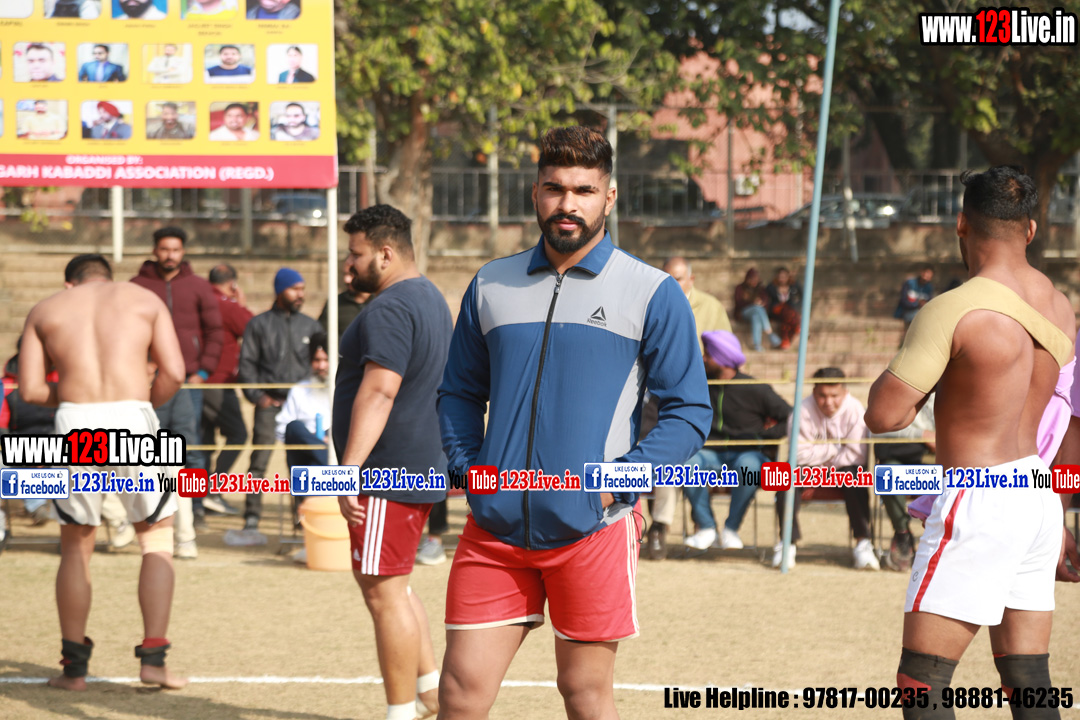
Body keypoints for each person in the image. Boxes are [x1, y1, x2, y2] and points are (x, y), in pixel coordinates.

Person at [437, 126, 711, 719]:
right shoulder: (490, 283)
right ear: (535, 192)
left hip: (594, 529)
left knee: (584, 696)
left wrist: (616, 484)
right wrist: (468, 470)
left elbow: (690, 411)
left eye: (584, 190)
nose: (568, 204)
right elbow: (458, 391)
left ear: (608, 197)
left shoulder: (652, 291)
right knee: (459, 694)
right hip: (494, 530)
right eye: (555, 188)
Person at [865, 166, 1077, 719]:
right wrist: (1060, 515)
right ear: (1031, 228)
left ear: (961, 224)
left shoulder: (953, 307)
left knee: (922, 679)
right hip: (1038, 493)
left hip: (978, 494)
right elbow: (1070, 419)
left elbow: (884, 415)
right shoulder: (1060, 306)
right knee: (1028, 676)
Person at [18, 254, 187, 690]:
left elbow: (31, 390)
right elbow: (174, 372)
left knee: (76, 546)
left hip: (75, 420)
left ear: (69, 284)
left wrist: (75, 397)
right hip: (133, 415)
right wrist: (143, 402)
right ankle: (154, 661)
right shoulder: (143, 298)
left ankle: (74, 670)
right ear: (108, 278)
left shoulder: (46, 309)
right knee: (156, 538)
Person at [333, 205, 451, 720]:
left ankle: (401, 712)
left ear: (385, 253)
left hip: (388, 472)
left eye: (355, 254)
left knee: (384, 594)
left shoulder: (390, 308)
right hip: (412, 467)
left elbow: (380, 391)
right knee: (394, 586)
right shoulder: (429, 296)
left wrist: (348, 470)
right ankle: (430, 694)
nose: (348, 265)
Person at [131, 227, 224, 538]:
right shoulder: (136, 286)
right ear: (154, 250)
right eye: (164, 249)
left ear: (183, 252)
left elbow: (215, 331)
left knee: (190, 447)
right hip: (147, 382)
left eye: (175, 249)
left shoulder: (198, 286)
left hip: (188, 381)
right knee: (147, 448)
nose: (170, 255)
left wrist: (204, 371)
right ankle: (149, 508)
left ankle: (194, 510)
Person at [643, 255, 732, 560]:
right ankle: (656, 527)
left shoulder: (711, 307)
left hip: (700, 394)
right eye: (667, 276)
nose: (672, 283)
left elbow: (727, 354)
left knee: (686, 457)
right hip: (656, 392)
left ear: (691, 280)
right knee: (656, 455)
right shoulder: (650, 302)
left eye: (678, 278)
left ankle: (695, 524)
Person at [682, 331, 791, 551]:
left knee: (748, 467)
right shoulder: (699, 387)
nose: (703, 359)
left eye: (708, 355)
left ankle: (731, 529)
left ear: (722, 359)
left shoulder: (756, 388)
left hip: (748, 454)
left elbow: (791, 416)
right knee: (687, 464)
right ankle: (706, 527)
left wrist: (762, 436)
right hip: (710, 455)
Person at [237, 268, 322, 530]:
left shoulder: (311, 326)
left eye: (302, 289)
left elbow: (319, 364)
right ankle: (252, 516)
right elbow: (247, 365)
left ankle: (302, 517)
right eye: (294, 289)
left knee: (300, 463)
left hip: (302, 407)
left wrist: (310, 398)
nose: (300, 294)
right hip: (269, 404)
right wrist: (258, 397)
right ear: (279, 291)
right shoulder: (259, 325)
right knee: (259, 461)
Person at [779, 367, 877, 570]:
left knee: (855, 476)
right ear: (814, 392)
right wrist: (834, 449)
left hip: (842, 471)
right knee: (785, 478)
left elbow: (857, 456)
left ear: (845, 392)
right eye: (822, 396)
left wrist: (819, 455)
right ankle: (787, 543)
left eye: (834, 395)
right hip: (810, 471)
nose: (828, 402)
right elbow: (797, 455)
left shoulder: (855, 410)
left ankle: (863, 543)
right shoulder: (801, 410)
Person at [201, 264, 251, 506]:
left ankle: (199, 498)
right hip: (219, 382)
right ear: (232, 284)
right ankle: (213, 489)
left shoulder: (201, 300)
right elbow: (253, 328)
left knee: (204, 441)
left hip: (198, 382)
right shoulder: (227, 306)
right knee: (238, 434)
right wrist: (240, 304)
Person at [733, 268, 781, 351]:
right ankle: (770, 332)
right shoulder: (740, 288)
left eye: (755, 279)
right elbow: (739, 303)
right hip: (743, 312)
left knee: (756, 317)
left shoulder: (761, 289)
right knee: (756, 308)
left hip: (757, 313)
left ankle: (757, 345)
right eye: (752, 279)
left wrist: (761, 302)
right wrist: (752, 302)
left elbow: (766, 303)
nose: (754, 282)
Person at [318, 265, 369, 343]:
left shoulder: (379, 301)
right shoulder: (334, 303)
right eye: (345, 274)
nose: (346, 280)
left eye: (351, 274)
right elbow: (321, 334)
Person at [765, 266, 801, 349]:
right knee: (787, 311)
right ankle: (797, 326)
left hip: (789, 313)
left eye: (784, 277)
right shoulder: (771, 287)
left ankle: (785, 341)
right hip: (776, 311)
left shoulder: (794, 286)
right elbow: (766, 300)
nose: (782, 279)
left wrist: (798, 306)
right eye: (780, 277)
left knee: (787, 319)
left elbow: (803, 296)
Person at [894, 264, 935, 336]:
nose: (926, 276)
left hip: (921, 314)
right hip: (908, 313)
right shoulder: (909, 283)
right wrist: (918, 303)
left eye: (929, 275)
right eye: (925, 273)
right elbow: (904, 301)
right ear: (921, 272)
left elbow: (929, 302)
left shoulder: (929, 288)